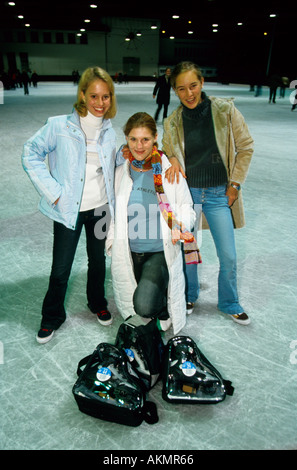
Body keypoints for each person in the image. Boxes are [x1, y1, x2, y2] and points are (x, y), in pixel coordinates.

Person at [22, 66, 123, 343]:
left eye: (106, 97)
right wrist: (53, 191)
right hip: (69, 209)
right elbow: (30, 153)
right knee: (61, 268)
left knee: (98, 262)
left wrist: (125, 158)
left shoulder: (109, 131)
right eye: (94, 96)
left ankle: (97, 302)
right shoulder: (59, 126)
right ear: (82, 94)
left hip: (101, 208)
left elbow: (110, 165)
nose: (100, 103)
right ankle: (52, 316)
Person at [162, 61, 254, 325]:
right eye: (181, 89)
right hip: (188, 197)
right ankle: (189, 295)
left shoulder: (225, 111)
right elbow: (167, 151)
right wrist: (171, 157)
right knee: (188, 253)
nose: (189, 94)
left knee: (228, 254)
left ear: (202, 82)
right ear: (175, 91)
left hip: (217, 196)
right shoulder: (172, 122)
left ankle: (229, 301)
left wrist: (235, 183)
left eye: (193, 86)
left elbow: (246, 146)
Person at [106, 112, 200, 334]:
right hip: (129, 252)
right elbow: (113, 212)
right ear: (126, 139)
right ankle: (158, 294)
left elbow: (187, 208)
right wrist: (110, 242)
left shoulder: (169, 171)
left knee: (144, 305)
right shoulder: (121, 172)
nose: (139, 146)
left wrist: (180, 225)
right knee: (132, 303)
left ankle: (164, 310)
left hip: (159, 252)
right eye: (133, 139)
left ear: (155, 138)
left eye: (145, 139)